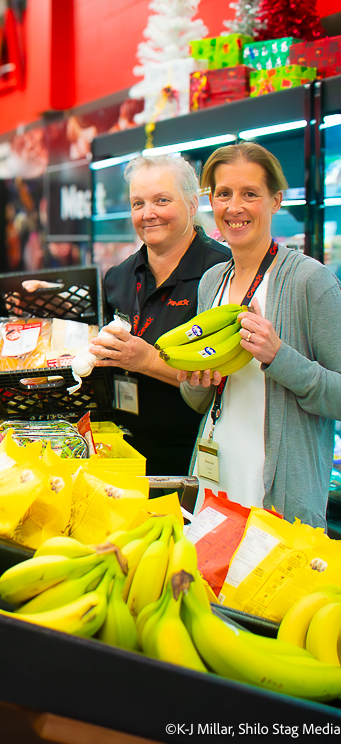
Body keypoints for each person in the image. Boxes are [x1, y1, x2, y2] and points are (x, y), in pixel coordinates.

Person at [180, 142, 341, 528]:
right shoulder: (212, 282)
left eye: (250, 193)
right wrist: (196, 383)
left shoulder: (310, 281)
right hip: (215, 479)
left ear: (275, 201)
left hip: (278, 493)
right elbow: (200, 401)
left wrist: (278, 356)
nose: (234, 207)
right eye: (223, 194)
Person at [91, 154, 230, 476]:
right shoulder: (117, 277)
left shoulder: (223, 272)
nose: (148, 213)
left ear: (193, 204)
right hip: (122, 450)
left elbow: (226, 377)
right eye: (138, 203)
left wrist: (147, 360)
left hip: (198, 457)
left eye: (162, 200)